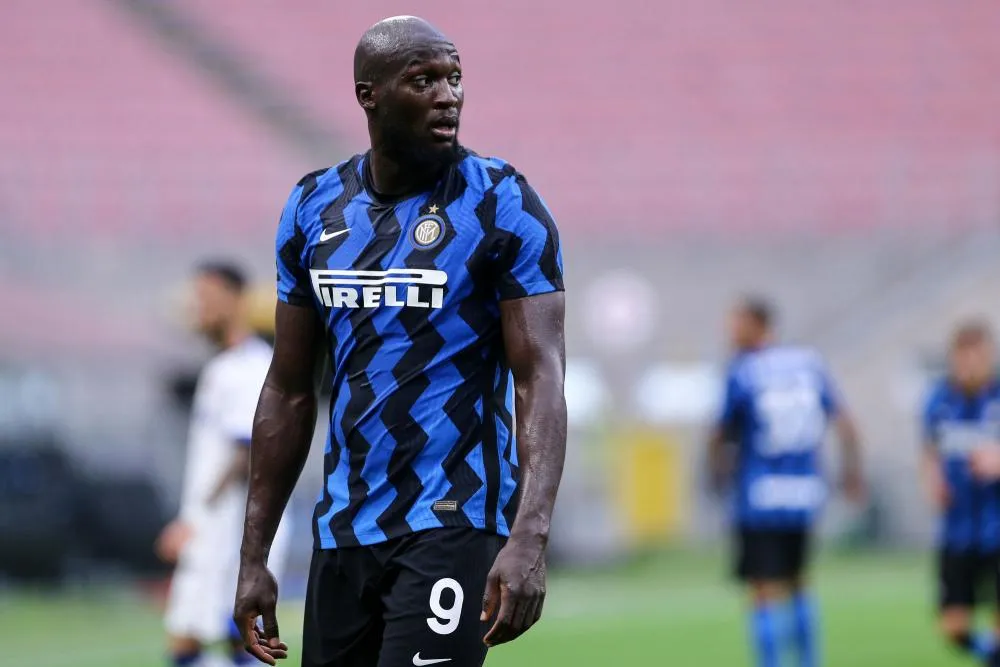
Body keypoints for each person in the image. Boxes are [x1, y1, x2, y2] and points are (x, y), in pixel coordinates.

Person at [232, 15, 567, 667]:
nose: (448, 96)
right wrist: (253, 556)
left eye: (454, 78)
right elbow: (289, 389)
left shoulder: (501, 202)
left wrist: (529, 534)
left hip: (454, 516)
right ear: (370, 95)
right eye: (423, 81)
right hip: (344, 526)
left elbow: (541, 377)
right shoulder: (313, 207)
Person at [707, 296, 864, 667]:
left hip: (760, 495)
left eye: (736, 324)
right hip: (804, 494)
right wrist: (851, 474)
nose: (730, 333)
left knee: (762, 588)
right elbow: (847, 425)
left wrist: (715, 476)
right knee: (799, 582)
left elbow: (719, 432)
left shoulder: (744, 370)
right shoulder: (809, 363)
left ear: (758, 325)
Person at [157, 261, 292, 667]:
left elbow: (246, 453)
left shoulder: (249, 367)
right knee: (213, 639)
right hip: (220, 527)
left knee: (209, 639)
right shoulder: (222, 366)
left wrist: (194, 519)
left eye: (206, 298)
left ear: (235, 301)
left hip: (231, 529)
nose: (197, 308)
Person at [922, 320, 1000, 666]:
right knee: (953, 627)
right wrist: (933, 480)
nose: (969, 365)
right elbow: (929, 450)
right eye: (962, 357)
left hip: (996, 528)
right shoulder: (939, 400)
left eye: (976, 357)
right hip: (957, 530)